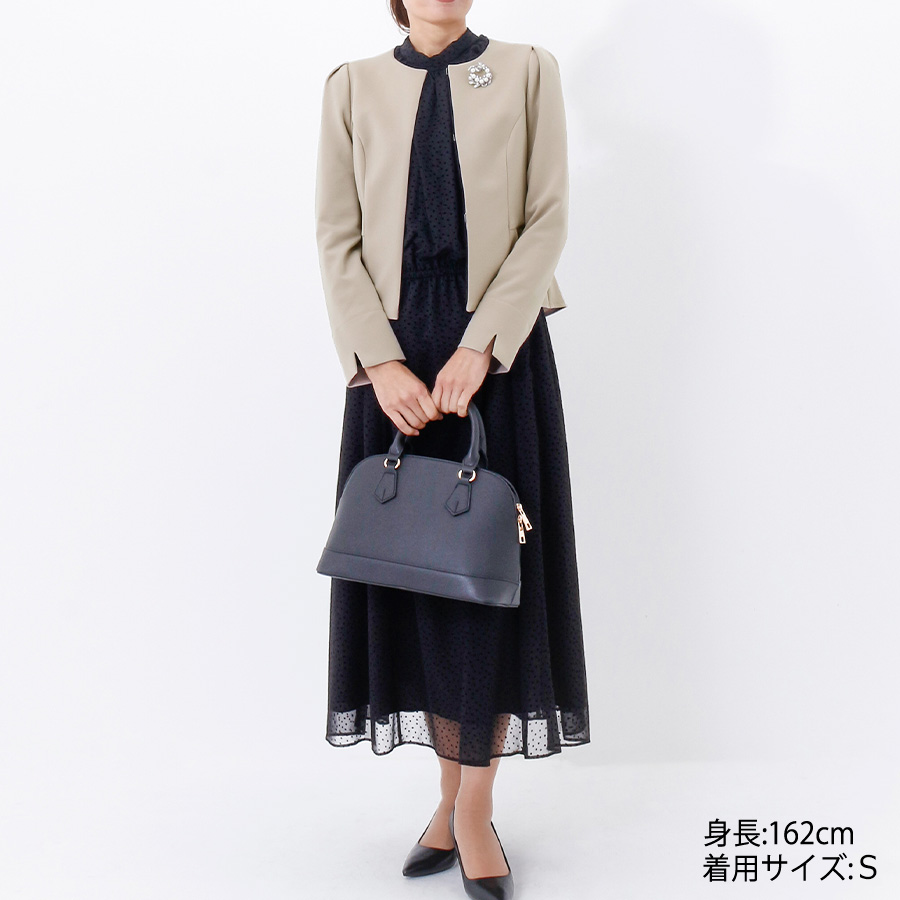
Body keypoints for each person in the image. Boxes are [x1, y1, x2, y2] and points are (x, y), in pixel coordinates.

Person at [314, 2, 590, 897]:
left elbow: (546, 218)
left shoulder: (529, 69)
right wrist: (378, 361)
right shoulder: (351, 86)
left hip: (499, 353)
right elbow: (336, 239)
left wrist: (484, 345)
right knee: (413, 579)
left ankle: (473, 809)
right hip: (391, 362)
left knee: (488, 585)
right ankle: (445, 800)